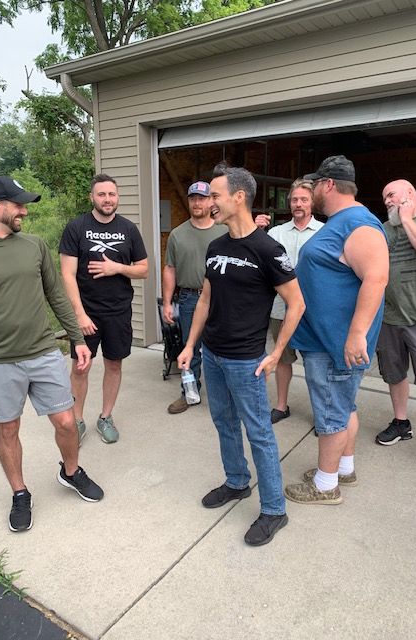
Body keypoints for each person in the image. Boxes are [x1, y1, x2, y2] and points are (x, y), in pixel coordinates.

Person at [0, 176, 104, 533]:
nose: (24, 211)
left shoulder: (34, 246)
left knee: (66, 422)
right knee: (8, 428)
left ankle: (71, 472)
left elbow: (56, 295)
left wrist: (77, 339)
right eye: (18, 204)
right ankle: (20, 493)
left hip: (43, 352)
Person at [178, 165, 305, 546]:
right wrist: (190, 345)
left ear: (239, 197)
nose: (209, 203)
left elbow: (296, 303)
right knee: (223, 422)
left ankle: (274, 510)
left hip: (247, 360)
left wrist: (277, 352)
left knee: (259, 433)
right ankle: (236, 482)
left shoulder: (268, 249)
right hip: (213, 355)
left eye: (215, 196)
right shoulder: (216, 246)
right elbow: (205, 299)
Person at [285, 155, 389, 505]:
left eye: (314, 184)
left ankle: (325, 485)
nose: (311, 190)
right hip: (327, 340)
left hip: (336, 345)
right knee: (344, 407)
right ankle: (344, 468)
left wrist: (357, 334)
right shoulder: (342, 222)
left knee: (330, 412)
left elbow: (376, 278)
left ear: (328, 184)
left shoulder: (359, 224)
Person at [59, 174, 148, 444]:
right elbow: (67, 275)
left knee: (114, 364)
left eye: (111, 194)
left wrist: (116, 268)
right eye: (101, 194)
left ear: (117, 197)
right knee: (81, 367)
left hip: (118, 312)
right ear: (92, 197)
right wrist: (79, 315)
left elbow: (143, 269)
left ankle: (105, 417)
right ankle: (77, 420)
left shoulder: (129, 229)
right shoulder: (76, 228)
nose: (107, 199)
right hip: (87, 313)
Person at [375, 180, 416, 462]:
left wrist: (407, 219)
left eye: (391, 195)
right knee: (394, 374)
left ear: (410, 193)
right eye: (384, 198)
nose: (387, 201)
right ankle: (401, 423)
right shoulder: (383, 229)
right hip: (389, 317)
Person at [162, 181, 226, 414]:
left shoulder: (224, 230)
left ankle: (227, 394)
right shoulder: (177, 235)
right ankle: (189, 392)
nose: (197, 203)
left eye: (202, 198)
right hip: (189, 299)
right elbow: (170, 269)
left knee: (224, 347)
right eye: (193, 198)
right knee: (189, 348)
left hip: (221, 299)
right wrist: (167, 302)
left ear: (211, 201)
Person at [267, 179, 324, 423]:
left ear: (312, 203)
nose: (298, 204)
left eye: (304, 200)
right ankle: (281, 406)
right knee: (282, 358)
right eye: (294, 200)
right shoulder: (275, 233)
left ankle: (321, 414)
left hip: (314, 311)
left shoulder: (325, 232)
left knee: (316, 365)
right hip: (281, 308)